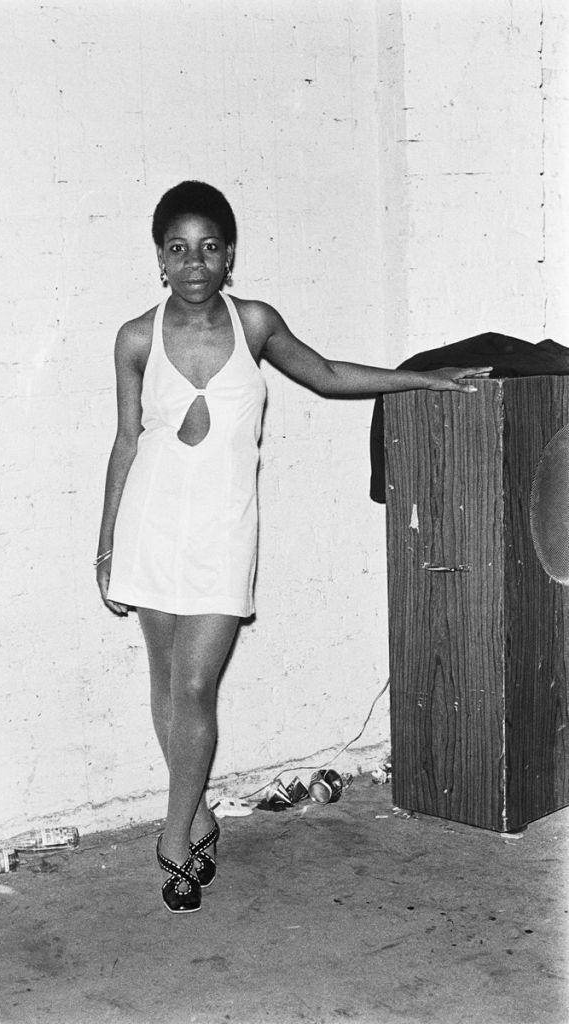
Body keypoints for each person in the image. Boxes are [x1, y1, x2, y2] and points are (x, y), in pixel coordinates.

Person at [96, 180, 491, 914]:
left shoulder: (253, 324)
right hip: (150, 525)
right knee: (164, 685)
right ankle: (199, 816)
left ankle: (172, 836)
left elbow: (328, 373)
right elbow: (125, 443)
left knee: (193, 688)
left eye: (208, 247)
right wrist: (103, 547)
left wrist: (424, 380)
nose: (192, 262)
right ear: (159, 259)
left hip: (222, 531)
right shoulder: (134, 337)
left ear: (229, 255)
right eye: (177, 248)